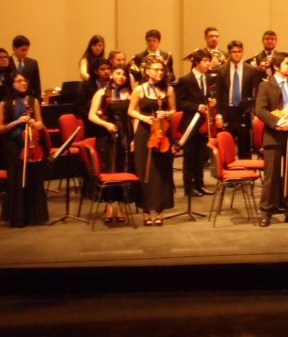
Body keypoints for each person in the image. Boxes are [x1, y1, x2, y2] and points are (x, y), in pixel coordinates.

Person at [253, 51, 288, 226]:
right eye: (287, 63)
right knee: (271, 175)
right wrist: (278, 122)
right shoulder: (266, 86)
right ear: (276, 66)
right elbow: (260, 110)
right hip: (273, 135)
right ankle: (266, 212)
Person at [0, 72, 48, 226]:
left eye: (24, 80)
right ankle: (18, 217)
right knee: (17, 179)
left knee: (34, 178)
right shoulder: (4, 104)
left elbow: (41, 124)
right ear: (11, 84)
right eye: (18, 81)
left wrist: (33, 123)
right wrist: (17, 122)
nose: (23, 83)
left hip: (30, 143)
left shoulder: (33, 101)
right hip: (13, 145)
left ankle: (35, 217)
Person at [128, 56, 176, 225]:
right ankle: (146, 210)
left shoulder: (168, 90)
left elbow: (173, 110)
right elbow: (131, 110)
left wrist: (167, 114)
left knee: (161, 172)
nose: (159, 72)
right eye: (155, 69)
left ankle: (160, 209)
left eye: (161, 70)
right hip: (145, 133)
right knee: (145, 171)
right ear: (147, 71)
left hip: (162, 133)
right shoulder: (139, 89)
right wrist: (144, 118)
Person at [87, 63, 134, 223]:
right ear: (112, 75)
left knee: (123, 167)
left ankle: (120, 205)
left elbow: (134, 115)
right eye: (118, 73)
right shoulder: (101, 93)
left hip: (125, 135)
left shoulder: (130, 92)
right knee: (109, 169)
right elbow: (91, 115)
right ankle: (108, 205)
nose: (121, 77)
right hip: (107, 137)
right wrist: (106, 124)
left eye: (124, 74)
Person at [174, 50, 215, 198]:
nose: (207, 64)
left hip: (203, 124)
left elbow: (208, 97)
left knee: (201, 156)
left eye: (208, 61)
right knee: (190, 156)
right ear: (197, 62)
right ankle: (188, 187)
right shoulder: (185, 79)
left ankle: (200, 184)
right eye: (204, 61)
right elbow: (180, 102)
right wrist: (197, 107)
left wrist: (211, 102)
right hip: (190, 122)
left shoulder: (208, 78)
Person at [218, 40, 259, 158]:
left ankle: (245, 172)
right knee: (227, 146)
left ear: (243, 52)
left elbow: (255, 92)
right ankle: (228, 173)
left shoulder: (251, 70)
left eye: (239, 52)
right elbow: (219, 94)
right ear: (229, 53)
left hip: (244, 112)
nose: (236, 54)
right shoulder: (221, 70)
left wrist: (254, 112)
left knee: (245, 145)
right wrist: (219, 114)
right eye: (233, 52)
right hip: (228, 111)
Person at [10, 34, 42, 98]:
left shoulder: (33, 63)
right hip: (11, 100)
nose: (25, 53)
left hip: (28, 99)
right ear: (14, 48)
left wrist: (37, 101)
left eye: (27, 50)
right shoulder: (7, 63)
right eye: (22, 50)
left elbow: (37, 86)